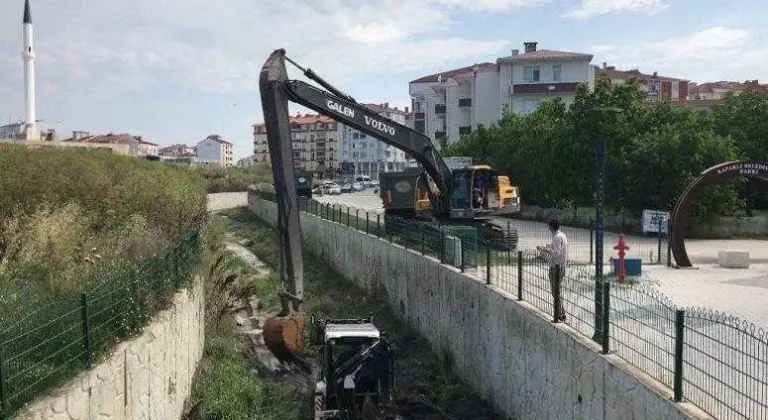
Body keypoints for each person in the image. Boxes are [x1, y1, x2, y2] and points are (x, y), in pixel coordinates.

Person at [537, 219, 568, 321]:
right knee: (556, 291)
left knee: (555, 291)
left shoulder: (557, 237)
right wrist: (546, 245)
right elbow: (556, 247)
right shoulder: (561, 235)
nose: (548, 229)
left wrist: (544, 249)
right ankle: (561, 313)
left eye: (549, 226)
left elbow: (556, 253)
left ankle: (559, 315)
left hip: (556, 267)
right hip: (561, 266)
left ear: (551, 227)